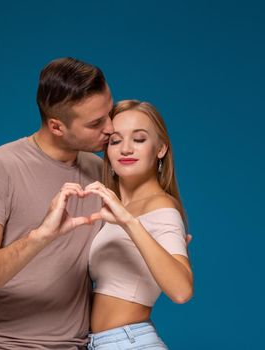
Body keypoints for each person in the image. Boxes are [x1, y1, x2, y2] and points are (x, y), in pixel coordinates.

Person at [0, 57, 114, 349]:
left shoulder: (100, 171)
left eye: (110, 112)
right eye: (96, 123)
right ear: (57, 127)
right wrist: (40, 237)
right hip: (10, 344)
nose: (109, 128)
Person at [84, 100, 194, 349]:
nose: (126, 149)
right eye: (115, 140)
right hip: (99, 343)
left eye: (139, 139)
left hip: (130, 342)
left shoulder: (162, 207)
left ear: (161, 149)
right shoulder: (115, 208)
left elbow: (181, 291)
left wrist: (129, 222)